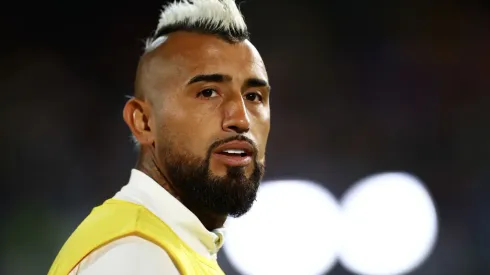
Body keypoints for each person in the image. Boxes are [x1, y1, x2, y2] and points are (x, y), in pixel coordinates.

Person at [47, 0, 271, 274]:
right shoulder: (136, 256)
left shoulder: (167, 247)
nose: (241, 119)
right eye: (208, 92)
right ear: (142, 122)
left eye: (253, 97)